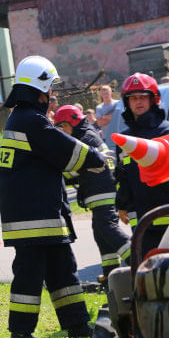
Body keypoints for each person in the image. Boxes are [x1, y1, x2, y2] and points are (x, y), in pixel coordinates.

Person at [0, 56, 107, 338]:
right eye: (51, 89)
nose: (53, 95)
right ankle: (20, 332)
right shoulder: (31, 121)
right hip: (35, 216)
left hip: (37, 213)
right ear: (40, 88)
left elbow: (48, 161)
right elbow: (65, 149)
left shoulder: (20, 118)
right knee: (30, 274)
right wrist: (97, 158)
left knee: (62, 269)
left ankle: (77, 325)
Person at [115, 73, 169, 257]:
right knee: (148, 271)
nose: (138, 102)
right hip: (141, 217)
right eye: (133, 98)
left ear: (153, 99)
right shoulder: (125, 139)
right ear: (127, 102)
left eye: (143, 97)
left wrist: (161, 156)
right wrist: (122, 203)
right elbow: (123, 175)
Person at [54, 105, 131, 279]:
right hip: (102, 190)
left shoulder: (84, 139)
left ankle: (138, 260)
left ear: (71, 123)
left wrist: (56, 172)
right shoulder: (87, 135)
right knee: (101, 233)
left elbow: (73, 170)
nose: (62, 132)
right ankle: (111, 274)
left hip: (102, 192)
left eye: (62, 127)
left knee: (107, 228)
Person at [95, 84, 127, 151]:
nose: (106, 95)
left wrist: (105, 117)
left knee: (124, 156)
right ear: (101, 95)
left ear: (111, 93)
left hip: (120, 135)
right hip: (107, 137)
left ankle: (127, 162)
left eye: (107, 93)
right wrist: (113, 117)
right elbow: (99, 123)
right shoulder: (99, 107)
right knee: (112, 156)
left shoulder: (118, 103)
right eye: (103, 93)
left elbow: (121, 118)